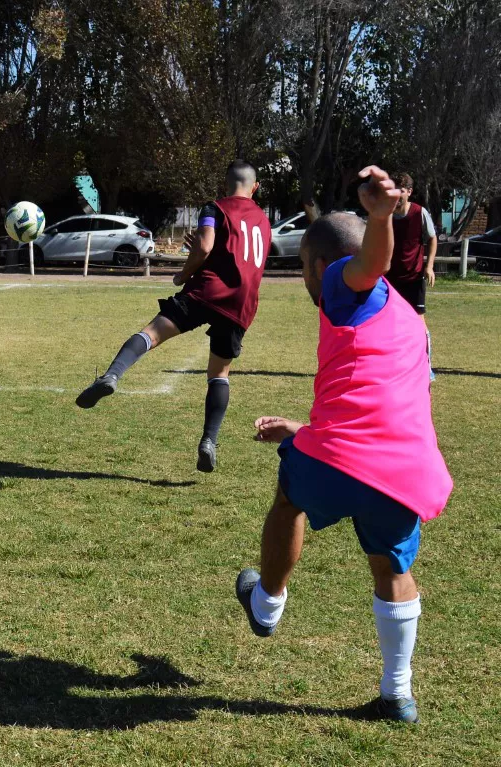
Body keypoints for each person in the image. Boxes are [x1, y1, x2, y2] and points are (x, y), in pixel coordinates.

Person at [236, 166, 453, 724]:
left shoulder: (339, 281)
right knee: (392, 571)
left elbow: (368, 265)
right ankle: (397, 694)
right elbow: (382, 402)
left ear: (316, 264)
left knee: (289, 500)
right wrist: (304, 433)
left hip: (340, 459)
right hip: (403, 468)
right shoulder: (411, 322)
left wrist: (380, 219)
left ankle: (266, 604)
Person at [75, 160, 271, 472]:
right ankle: (209, 440)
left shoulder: (215, 207)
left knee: (151, 333)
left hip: (208, 291)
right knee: (219, 374)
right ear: (255, 187)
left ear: (225, 183)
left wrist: (184, 272)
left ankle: (111, 376)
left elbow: (205, 247)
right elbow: (238, 253)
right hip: (242, 302)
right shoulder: (263, 219)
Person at [387, 172, 438, 379]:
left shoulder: (419, 213)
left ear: (409, 192)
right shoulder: (386, 214)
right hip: (390, 279)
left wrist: (429, 266)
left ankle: (426, 366)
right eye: (393, 188)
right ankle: (394, 365)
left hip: (413, 278)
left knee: (418, 323)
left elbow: (432, 238)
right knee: (389, 322)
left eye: (401, 189)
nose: (396, 194)